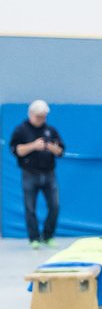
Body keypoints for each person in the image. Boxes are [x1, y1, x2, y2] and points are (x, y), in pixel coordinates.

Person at [9, 100, 65, 249]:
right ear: (31, 114)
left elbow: (61, 151)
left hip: (49, 174)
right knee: (30, 208)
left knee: (55, 206)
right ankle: (34, 238)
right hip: (30, 175)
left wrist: (52, 148)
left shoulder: (51, 131)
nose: (42, 119)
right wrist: (34, 145)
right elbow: (17, 150)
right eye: (39, 116)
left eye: (44, 116)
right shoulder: (21, 130)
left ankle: (48, 235)